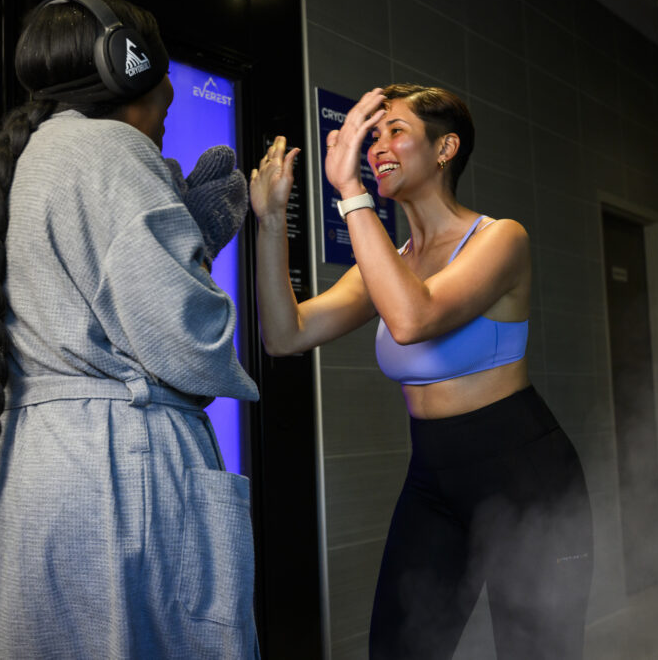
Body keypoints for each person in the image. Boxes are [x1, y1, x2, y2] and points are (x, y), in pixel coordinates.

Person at [0, 0, 260, 659]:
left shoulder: (21, 160)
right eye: (164, 93)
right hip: (114, 480)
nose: (166, 114)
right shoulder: (112, 147)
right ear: (129, 68)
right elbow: (194, 345)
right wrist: (199, 244)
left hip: (32, 473)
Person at [250, 85, 594, 659]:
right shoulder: (392, 264)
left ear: (445, 148)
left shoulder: (500, 238)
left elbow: (414, 318)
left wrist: (350, 191)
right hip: (434, 477)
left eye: (397, 131)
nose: (377, 147)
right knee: (397, 650)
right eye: (373, 135)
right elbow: (285, 335)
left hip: (526, 476)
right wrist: (268, 221)